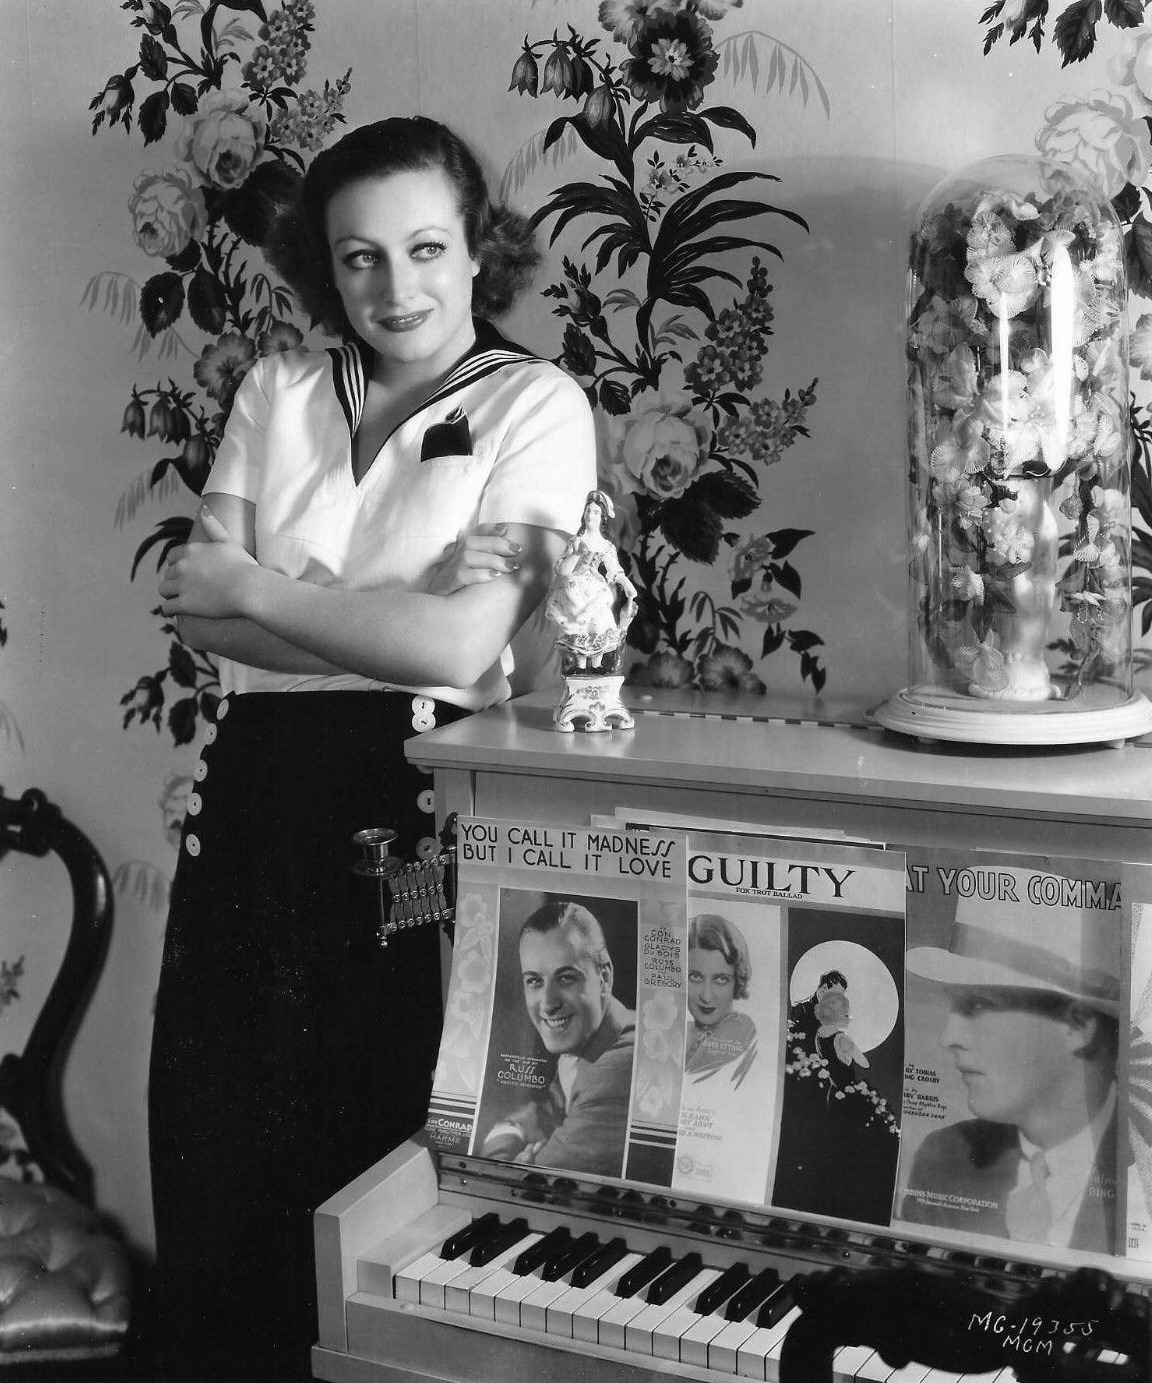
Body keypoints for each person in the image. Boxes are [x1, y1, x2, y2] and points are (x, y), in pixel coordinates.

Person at [145, 116, 597, 1380]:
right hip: (251, 805)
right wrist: (365, 622)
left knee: (382, 1171)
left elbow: (460, 650)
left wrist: (269, 592)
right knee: (222, 1142)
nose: (395, 289)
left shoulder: (537, 407)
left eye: (425, 248)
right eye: (359, 260)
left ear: (478, 248)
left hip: (417, 815)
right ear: (323, 269)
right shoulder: (278, 392)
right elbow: (195, 612)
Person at [901, 896, 1120, 1252]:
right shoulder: (944, 1157)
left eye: (977, 1004)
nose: (948, 1038)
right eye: (953, 1004)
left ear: (1077, 1026)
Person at [479, 901, 635, 1176]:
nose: (548, 1004)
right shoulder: (586, 1041)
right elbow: (540, 1114)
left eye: (566, 978)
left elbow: (517, 1180)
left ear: (604, 978)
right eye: (535, 981)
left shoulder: (617, 1067)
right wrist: (514, 1134)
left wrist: (517, 1156)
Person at [544, 489, 637, 672]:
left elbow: (615, 570)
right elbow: (562, 570)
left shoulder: (605, 545)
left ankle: (596, 665)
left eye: (595, 512)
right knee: (579, 624)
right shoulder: (576, 541)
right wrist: (576, 554)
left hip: (595, 586)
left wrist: (627, 584)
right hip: (575, 586)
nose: (590, 515)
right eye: (588, 510)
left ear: (602, 516)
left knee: (601, 618)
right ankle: (580, 666)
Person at [684, 913, 758, 1086]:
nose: (706, 996)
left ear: (737, 980)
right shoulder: (684, 1030)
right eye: (695, 977)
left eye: (721, 979)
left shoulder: (740, 1030)